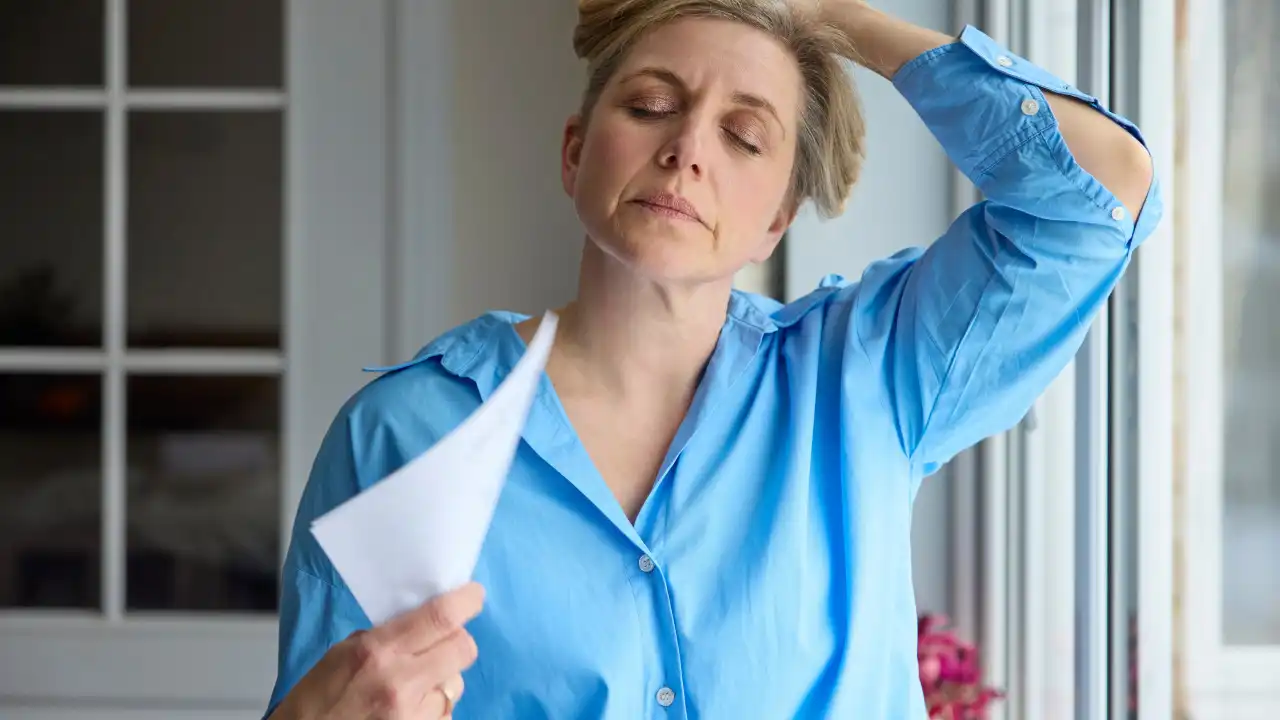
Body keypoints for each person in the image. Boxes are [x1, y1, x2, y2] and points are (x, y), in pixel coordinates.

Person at [265, 0, 1160, 717]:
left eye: (745, 136)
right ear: (575, 154)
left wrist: (834, 17)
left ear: (779, 218)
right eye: (651, 105)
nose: (686, 149)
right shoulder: (403, 435)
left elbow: (1099, 195)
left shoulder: (870, 380)